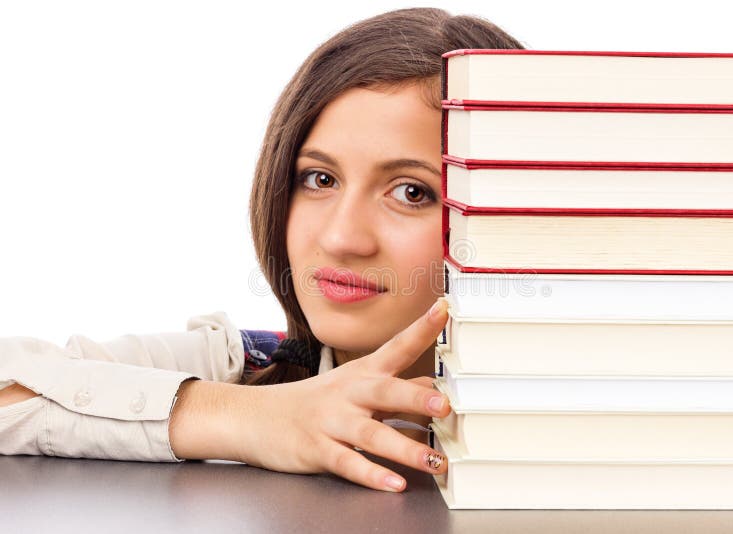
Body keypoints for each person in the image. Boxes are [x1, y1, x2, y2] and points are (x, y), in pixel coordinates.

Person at [0, 8, 524, 492]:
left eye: (411, 192)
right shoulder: (239, 366)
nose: (342, 238)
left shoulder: (586, 421)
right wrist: (255, 417)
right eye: (319, 179)